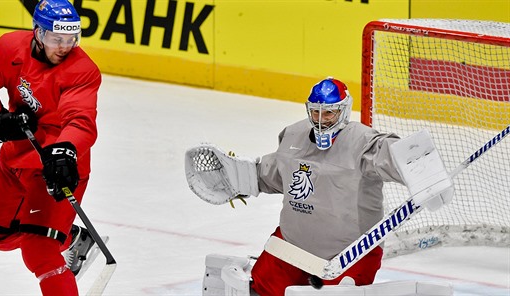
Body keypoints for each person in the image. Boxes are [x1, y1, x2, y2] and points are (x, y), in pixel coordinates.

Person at [185, 77, 454, 296]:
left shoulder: (362, 142)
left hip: (350, 255)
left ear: (344, 111)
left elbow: (389, 154)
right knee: (259, 288)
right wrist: (241, 178)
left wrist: (421, 169)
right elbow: (276, 172)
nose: (321, 119)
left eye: (329, 113)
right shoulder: (293, 136)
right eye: (316, 112)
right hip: (293, 243)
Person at [0, 0, 102, 294]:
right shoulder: (9, 48)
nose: (65, 46)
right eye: (56, 38)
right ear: (38, 33)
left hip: (56, 166)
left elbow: (80, 120)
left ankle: (54, 239)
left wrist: (65, 150)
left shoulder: (83, 70)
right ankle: (73, 238)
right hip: (15, 156)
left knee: (39, 249)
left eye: (71, 39)